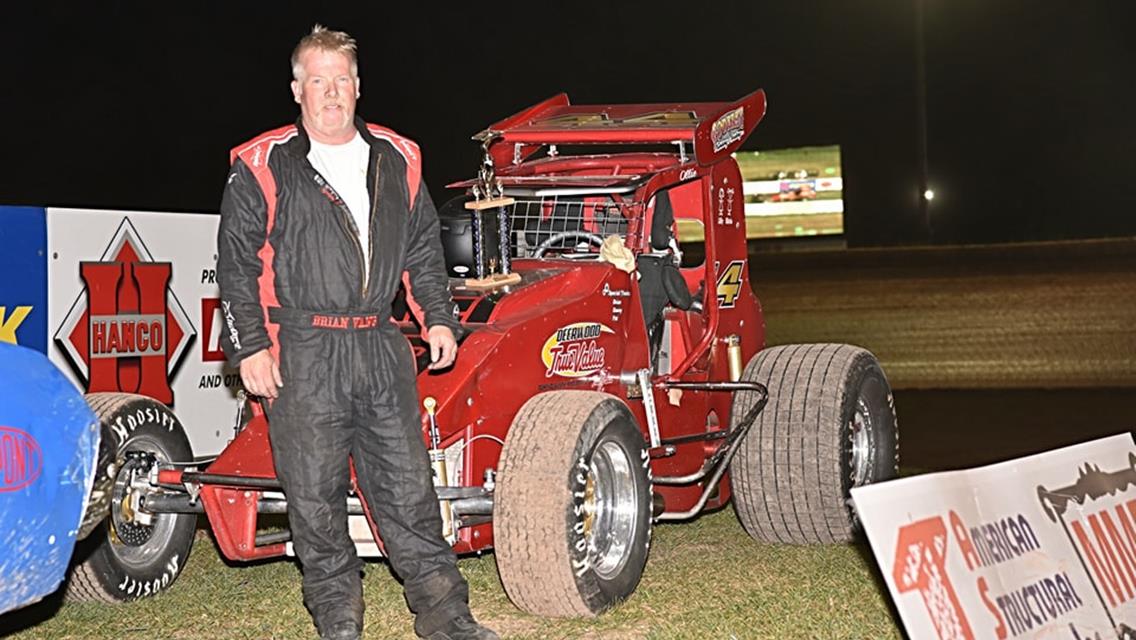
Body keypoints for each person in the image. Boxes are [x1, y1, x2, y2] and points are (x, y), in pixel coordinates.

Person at [217, 25, 498, 640]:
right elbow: (235, 266)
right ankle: (340, 623)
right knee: (314, 505)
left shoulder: (398, 157)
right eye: (318, 80)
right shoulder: (261, 164)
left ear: (358, 86)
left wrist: (439, 317)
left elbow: (422, 249)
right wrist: (251, 349)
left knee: (409, 492)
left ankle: (447, 617)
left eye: (341, 79)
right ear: (297, 89)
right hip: (303, 353)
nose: (331, 93)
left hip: (379, 344)